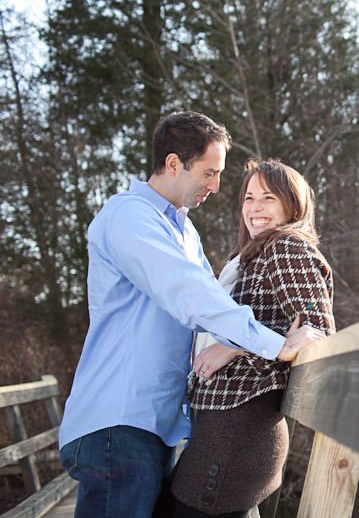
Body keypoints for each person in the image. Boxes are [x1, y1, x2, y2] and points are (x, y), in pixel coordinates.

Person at [58, 112, 320, 518]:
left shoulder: (183, 230)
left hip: (157, 424)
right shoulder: (128, 217)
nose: (216, 187)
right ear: (174, 164)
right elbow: (189, 295)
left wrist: (236, 348)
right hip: (118, 419)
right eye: (209, 173)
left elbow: (213, 303)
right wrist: (275, 345)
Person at [168, 158, 335, 517]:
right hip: (217, 429)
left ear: (293, 204)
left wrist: (234, 348)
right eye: (249, 197)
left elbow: (318, 336)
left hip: (240, 428)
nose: (255, 208)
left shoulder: (287, 249)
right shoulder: (248, 257)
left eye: (269, 198)